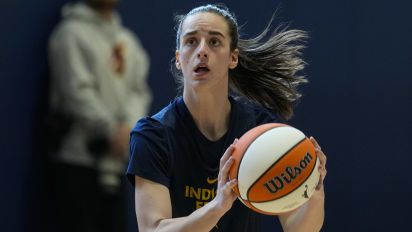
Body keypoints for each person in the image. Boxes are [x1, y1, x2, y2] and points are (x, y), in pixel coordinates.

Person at [126, 4, 327, 232]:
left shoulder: (258, 131)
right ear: (178, 59)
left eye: (214, 42)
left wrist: (313, 192)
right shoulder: (153, 134)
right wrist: (217, 207)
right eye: (191, 41)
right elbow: (153, 230)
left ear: (233, 58)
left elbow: (298, 228)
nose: (201, 50)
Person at [48, 0, 151, 231]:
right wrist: (109, 130)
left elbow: (138, 91)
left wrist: (128, 131)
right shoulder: (70, 34)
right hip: (78, 161)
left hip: (117, 161)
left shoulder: (128, 41)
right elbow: (76, 91)